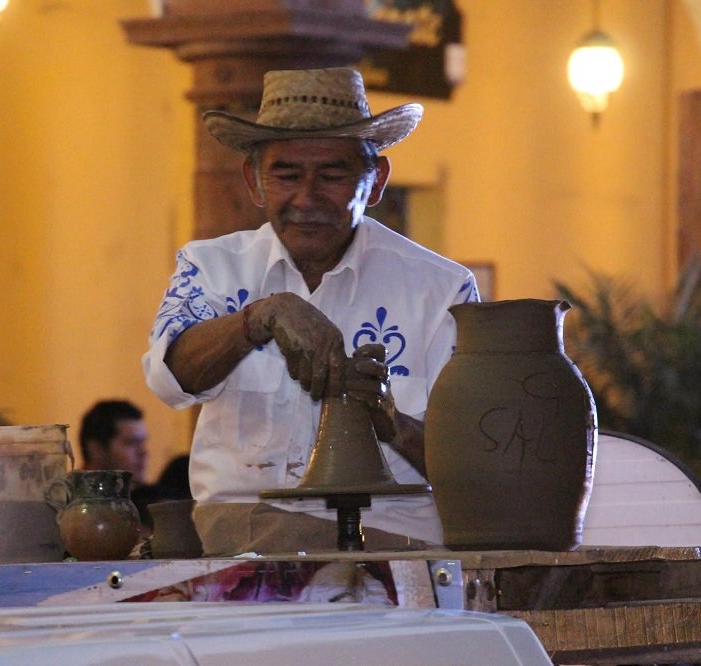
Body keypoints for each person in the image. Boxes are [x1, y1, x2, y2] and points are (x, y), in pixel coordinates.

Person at [143, 67, 479, 555]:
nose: (307, 197)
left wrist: (390, 422)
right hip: (238, 539)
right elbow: (170, 377)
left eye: (333, 174)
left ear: (376, 180)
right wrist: (257, 318)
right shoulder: (212, 267)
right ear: (253, 182)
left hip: (393, 545)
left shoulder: (441, 288)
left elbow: (478, 467)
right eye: (286, 174)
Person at [78, 399, 153, 531]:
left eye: (142, 442)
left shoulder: (146, 500)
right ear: (96, 449)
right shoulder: (68, 506)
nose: (143, 452)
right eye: (131, 443)